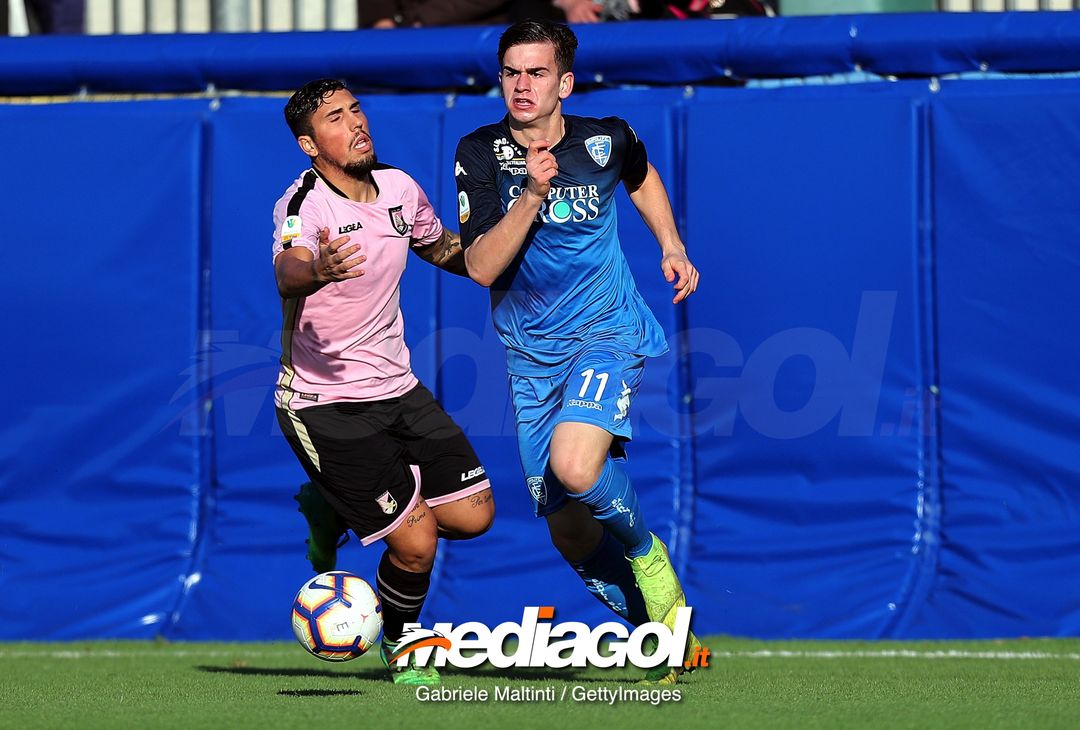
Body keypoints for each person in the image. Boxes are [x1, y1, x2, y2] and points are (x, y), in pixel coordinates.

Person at [453, 20, 701, 684]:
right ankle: (657, 632)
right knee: (566, 529)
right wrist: (532, 194)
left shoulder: (605, 138)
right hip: (530, 357)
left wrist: (670, 245)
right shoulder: (479, 153)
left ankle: (650, 556)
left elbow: (641, 175)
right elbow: (480, 266)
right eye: (511, 72)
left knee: (574, 463)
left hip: (606, 330)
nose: (522, 85)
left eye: (536, 73)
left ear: (564, 81)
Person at [272, 78, 494, 686]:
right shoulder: (305, 205)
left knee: (475, 517)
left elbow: (440, 246)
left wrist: (497, 256)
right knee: (417, 543)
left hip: (399, 389)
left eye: (355, 111)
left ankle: (330, 504)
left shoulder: (398, 188)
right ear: (308, 144)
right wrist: (317, 266)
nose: (355, 124)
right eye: (335, 119)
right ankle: (403, 649)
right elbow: (289, 271)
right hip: (324, 404)